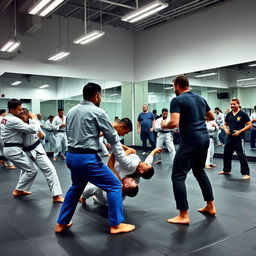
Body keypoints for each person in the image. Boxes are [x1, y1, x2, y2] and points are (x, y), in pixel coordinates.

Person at [55, 82, 138, 234]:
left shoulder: (72, 111)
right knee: (114, 186)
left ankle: (62, 222)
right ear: (96, 96)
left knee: (76, 187)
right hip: (86, 158)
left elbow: (78, 133)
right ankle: (116, 224)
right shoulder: (98, 112)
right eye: (101, 95)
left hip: (71, 156)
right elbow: (112, 137)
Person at [162, 75, 216, 224]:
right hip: (204, 139)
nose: (174, 90)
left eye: (174, 87)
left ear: (178, 86)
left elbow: (173, 123)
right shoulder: (200, 98)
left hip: (191, 140)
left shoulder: (177, 100)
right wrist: (196, 119)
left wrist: (163, 125)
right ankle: (210, 206)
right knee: (199, 171)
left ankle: (183, 215)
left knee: (178, 175)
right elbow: (211, 116)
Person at [20, 108, 64, 203]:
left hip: (37, 149)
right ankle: (20, 190)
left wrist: (42, 136)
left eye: (23, 117)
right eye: (19, 117)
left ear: (28, 115)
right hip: (25, 152)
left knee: (50, 169)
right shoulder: (18, 124)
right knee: (25, 172)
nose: (21, 119)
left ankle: (56, 195)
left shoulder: (34, 122)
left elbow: (42, 133)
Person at [1, 99, 39, 196]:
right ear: (12, 109)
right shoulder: (14, 120)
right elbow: (33, 129)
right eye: (19, 109)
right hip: (13, 150)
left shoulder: (5, 118)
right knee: (32, 170)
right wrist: (34, 118)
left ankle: (20, 189)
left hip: (11, 148)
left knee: (27, 169)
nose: (21, 111)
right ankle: (18, 190)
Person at [218, 98, 252, 179]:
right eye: (231, 104)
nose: (232, 105)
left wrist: (239, 131)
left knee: (241, 155)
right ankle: (226, 170)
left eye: (234, 104)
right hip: (230, 138)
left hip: (239, 138)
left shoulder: (243, 114)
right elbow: (225, 124)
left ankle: (246, 173)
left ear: (238, 104)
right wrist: (226, 129)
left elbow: (249, 125)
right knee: (226, 154)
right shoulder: (229, 114)